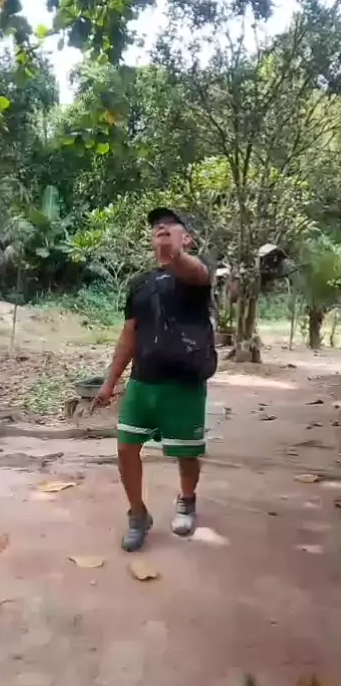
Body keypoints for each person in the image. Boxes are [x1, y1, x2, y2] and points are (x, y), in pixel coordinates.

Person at [93, 207, 217, 552]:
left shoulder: (195, 278)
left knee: (186, 454)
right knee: (125, 448)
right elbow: (128, 335)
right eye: (156, 227)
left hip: (184, 383)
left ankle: (187, 499)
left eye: (170, 226)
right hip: (142, 381)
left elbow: (197, 271)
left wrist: (175, 256)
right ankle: (137, 514)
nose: (161, 227)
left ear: (186, 238)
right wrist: (109, 382)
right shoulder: (140, 285)